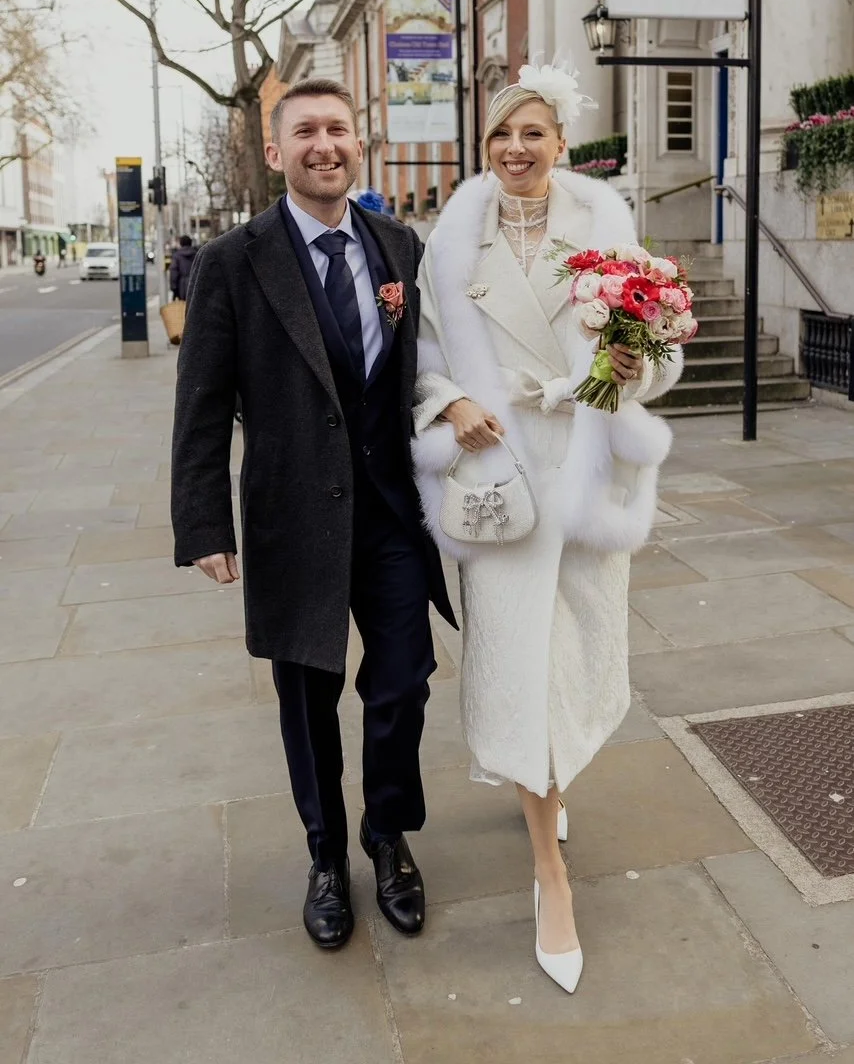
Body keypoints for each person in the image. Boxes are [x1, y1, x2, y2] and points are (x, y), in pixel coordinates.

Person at [411, 64, 683, 994]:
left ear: (562, 142)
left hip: (584, 470)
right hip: (501, 482)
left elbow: (654, 350)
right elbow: (426, 358)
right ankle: (549, 872)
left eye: (533, 133)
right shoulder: (449, 241)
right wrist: (451, 408)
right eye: (501, 136)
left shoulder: (605, 227)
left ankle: (552, 775)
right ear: (484, 147)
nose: (516, 150)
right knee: (520, 664)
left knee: (581, 650)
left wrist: (613, 375)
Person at [171, 77, 455, 953]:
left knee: (403, 679)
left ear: (357, 143)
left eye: (338, 128)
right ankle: (327, 855)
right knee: (307, 699)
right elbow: (203, 405)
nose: (324, 144)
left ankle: (387, 835)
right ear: (275, 151)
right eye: (305, 132)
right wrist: (204, 524)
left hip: (392, 514)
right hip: (293, 516)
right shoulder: (232, 261)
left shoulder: (399, 244)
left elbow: (422, 369)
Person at [169, 234, 198, 301]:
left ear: (181, 244)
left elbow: (174, 271)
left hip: (181, 286)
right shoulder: (197, 254)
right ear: (190, 243)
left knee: (182, 307)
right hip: (195, 284)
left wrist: (174, 287)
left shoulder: (177, 255)